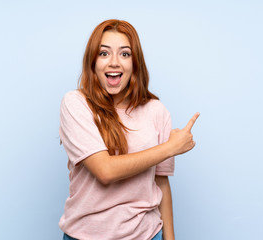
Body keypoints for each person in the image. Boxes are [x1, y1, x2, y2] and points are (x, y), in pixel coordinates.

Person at [59, 19, 199, 240]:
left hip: (146, 234)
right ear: (92, 61)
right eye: (104, 53)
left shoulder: (156, 110)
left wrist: (170, 238)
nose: (114, 62)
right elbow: (105, 171)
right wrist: (170, 148)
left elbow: (160, 181)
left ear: (135, 63)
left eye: (124, 54)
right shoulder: (76, 104)